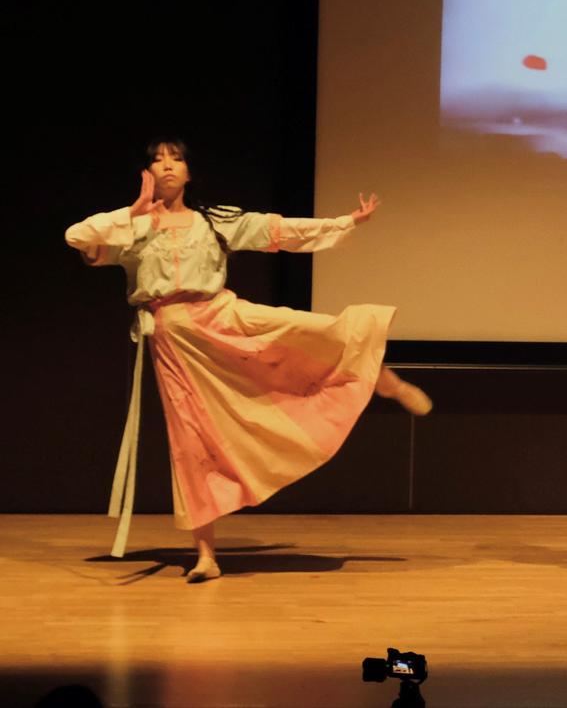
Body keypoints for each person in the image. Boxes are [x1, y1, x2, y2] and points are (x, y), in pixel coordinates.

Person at [64, 139, 431, 581]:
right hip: (176, 342)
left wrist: (342, 224)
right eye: (157, 160)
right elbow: (77, 236)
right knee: (192, 444)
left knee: (303, 332)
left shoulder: (213, 221)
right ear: (146, 173)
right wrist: (134, 209)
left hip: (222, 315)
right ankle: (206, 556)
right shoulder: (131, 229)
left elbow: (278, 231)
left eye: (175, 158)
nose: (166, 166)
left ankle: (381, 381)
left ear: (188, 173)